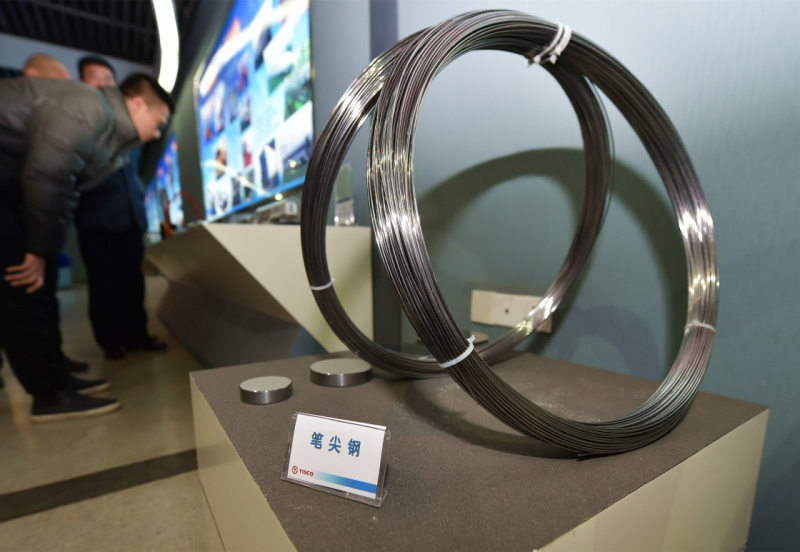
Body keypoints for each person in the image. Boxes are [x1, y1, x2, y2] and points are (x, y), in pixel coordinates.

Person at [0, 72, 173, 422]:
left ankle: (56, 378)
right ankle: (48, 394)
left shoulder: (110, 139)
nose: (157, 134)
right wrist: (38, 251)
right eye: (158, 123)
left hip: (12, 191)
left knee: (37, 287)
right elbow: (49, 175)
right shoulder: (89, 107)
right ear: (139, 104)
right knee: (22, 285)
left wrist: (44, 250)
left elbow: (64, 189)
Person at [75, 56, 168, 360]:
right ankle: (111, 341)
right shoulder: (84, 121)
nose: (104, 83)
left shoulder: (133, 129)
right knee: (104, 283)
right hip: (97, 218)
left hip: (131, 215)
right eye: (96, 77)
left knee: (132, 281)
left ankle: (137, 334)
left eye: (109, 78)